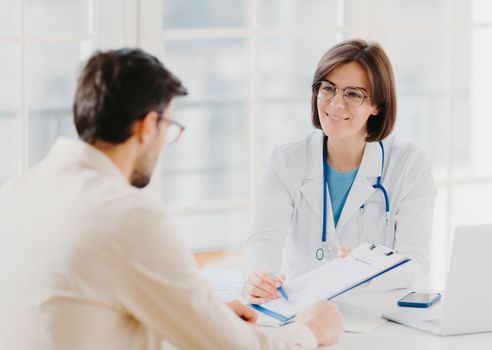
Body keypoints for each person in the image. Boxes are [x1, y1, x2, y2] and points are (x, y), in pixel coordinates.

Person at [0, 48, 343, 350]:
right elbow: (232, 347)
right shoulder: (128, 218)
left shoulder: (18, 191)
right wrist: (310, 331)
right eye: (169, 127)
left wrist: (201, 316)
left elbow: (82, 307)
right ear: (148, 126)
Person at [244, 39, 436, 304]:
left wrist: (368, 271)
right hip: (304, 311)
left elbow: (416, 260)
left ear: (377, 105)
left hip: (374, 314)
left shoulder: (408, 164)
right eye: (328, 89)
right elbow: (264, 239)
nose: (335, 104)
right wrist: (259, 277)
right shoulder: (287, 160)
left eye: (354, 94)